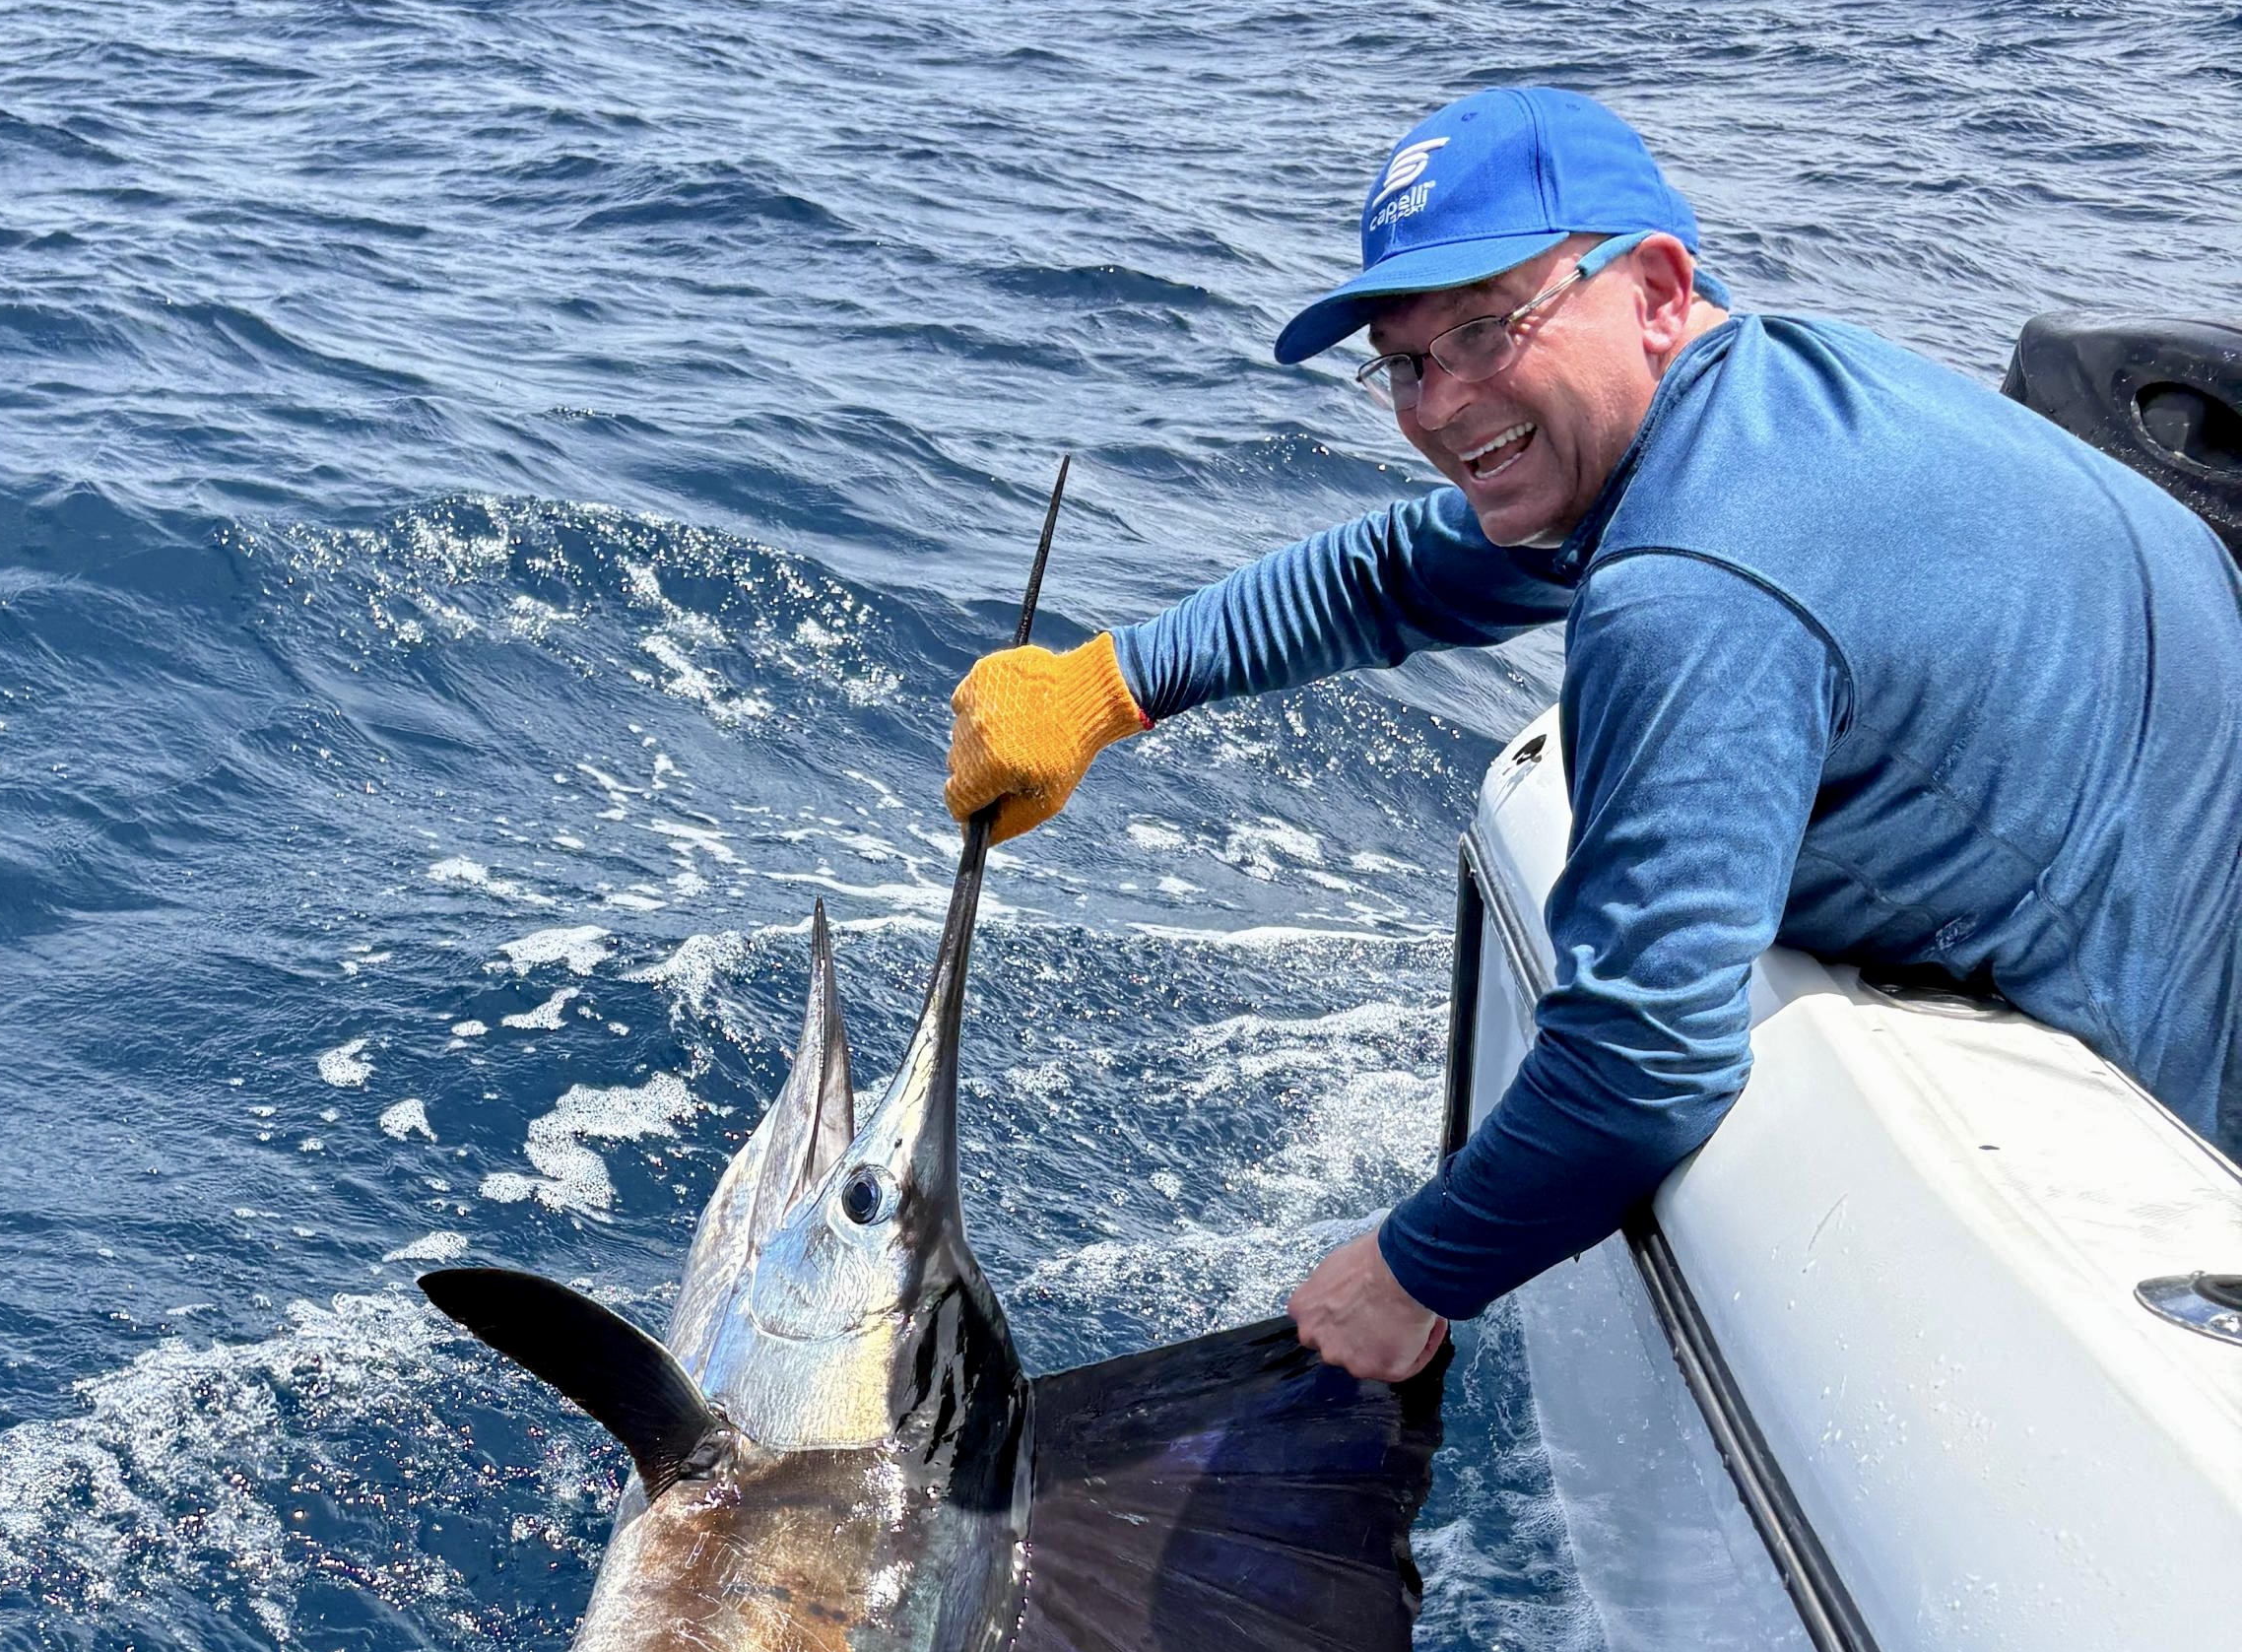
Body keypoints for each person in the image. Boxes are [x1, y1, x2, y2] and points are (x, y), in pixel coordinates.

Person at [945, 84, 2242, 1380]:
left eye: (1487, 327)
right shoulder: (1758, 403)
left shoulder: (1695, 579)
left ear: (1661, 290)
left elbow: (1645, 1068)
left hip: (2171, 1110)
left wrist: (1409, 1273)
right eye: (1405, 360)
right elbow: (1393, 576)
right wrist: (1106, 687)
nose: (1441, 405)